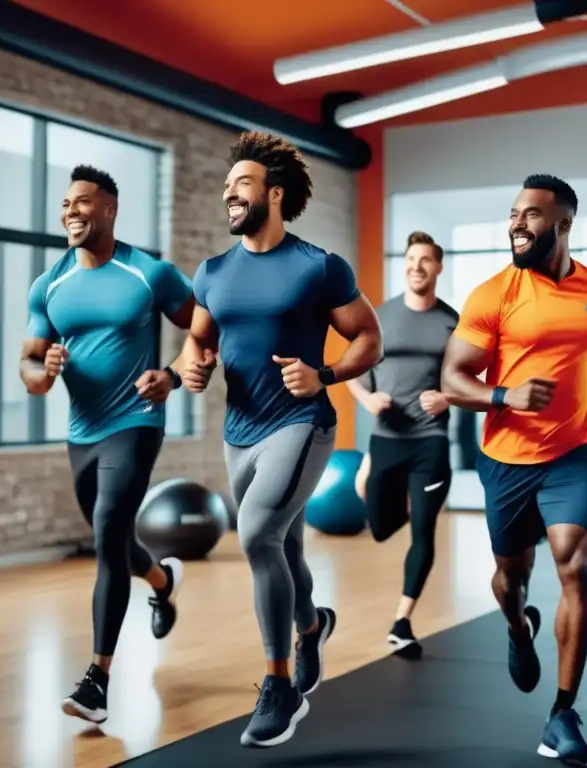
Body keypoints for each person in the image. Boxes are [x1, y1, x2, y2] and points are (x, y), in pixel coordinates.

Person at [177, 131, 383, 748]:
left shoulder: (319, 267)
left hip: (302, 424)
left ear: (275, 193)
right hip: (238, 432)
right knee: (284, 548)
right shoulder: (212, 271)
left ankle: (279, 684)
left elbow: (368, 338)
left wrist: (326, 375)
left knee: (259, 535)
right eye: (226, 186)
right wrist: (193, 364)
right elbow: (198, 339)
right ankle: (312, 624)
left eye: (239, 184)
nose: (228, 194)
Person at [440, 174, 587, 766]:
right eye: (513, 213)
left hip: (576, 450)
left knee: (575, 562)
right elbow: (452, 381)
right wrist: (505, 397)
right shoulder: (492, 295)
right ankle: (517, 628)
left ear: (564, 223)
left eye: (530, 214)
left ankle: (562, 711)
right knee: (511, 577)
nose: (517, 223)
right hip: (506, 459)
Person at [20, 165, 196, 724]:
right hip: (82, 430)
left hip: (136, 420)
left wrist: (170, 374)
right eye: (66, 204)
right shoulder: (49, 285)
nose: (72, 211)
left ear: (111, 210)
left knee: (105, 534)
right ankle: (162, 580)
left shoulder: (149, 273)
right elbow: (27, 361)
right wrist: (42, 371)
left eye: (83, 202)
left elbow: (204, 330)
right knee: (113, 541)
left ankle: (98, 680)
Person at [346, 230, 459, 659]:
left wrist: (448, 397)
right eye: (411, 258)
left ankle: (401, 621)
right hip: (387, 440)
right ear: (405, 264)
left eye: (426, 259)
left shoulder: (454, 322)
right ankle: (394, 487)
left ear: (438, 267)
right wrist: (368, 400)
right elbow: (354, 372)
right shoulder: (380, 317)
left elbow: (468, 378)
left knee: (423, 533)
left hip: (430, 441)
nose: (417, 266)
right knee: (379, 528)